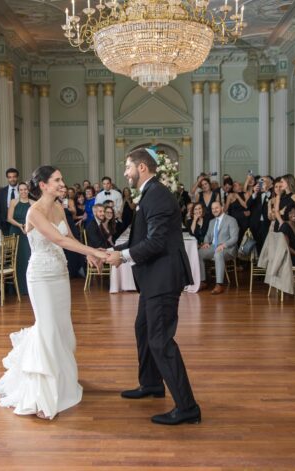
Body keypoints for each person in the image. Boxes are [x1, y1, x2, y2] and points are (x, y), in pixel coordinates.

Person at [0, 165, 108, 419]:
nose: (62, 183)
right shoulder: (34, 212)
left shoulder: (58, 207)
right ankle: (43, 391)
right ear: (43, 185)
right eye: (57, 179)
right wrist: (95, 252)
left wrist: (88, 254)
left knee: (62, 327)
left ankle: (64, 383)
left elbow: (72, 237)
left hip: (60, 273)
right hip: (41, 276)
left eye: (62, 178)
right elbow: (59, 240)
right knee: (47, 328)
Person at [109, 147, 200, 426]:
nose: (125, 173)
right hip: (154, 278)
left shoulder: (157, 195)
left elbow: (157, 242)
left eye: (128, 167)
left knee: (161, 341)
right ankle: (151, 383)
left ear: (142, 168)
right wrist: (111, 250)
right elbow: (141, 238)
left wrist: (121, 256)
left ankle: (187, 408)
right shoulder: (151, 193)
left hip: (163, 278)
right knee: (143, 329)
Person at [197, 200, 239, 295]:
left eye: (216, 207)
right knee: (199, 253)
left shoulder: (231, 220)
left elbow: (235, 238)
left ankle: (219, 284)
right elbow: (208, 235)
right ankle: (203, 281)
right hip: (214, 247)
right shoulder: (212, 222)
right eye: (212, 208)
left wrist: (224, 245)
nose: (214, 210)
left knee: (218, 253)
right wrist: (206, 242)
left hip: (228, 248)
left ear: (222, 207)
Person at [6, 181, 32, 294]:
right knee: (16, 260)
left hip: (28, 233)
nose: (23, 191)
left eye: (25, 189)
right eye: (21, 190)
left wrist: (28, 226)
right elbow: (9, 218)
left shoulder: (33, 203)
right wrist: (20, 225)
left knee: (28, 258)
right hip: (16, 231)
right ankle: (16, 289)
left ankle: (28, 288)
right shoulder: (13, 202)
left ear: (28, 190)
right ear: (18, 191)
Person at [0, 167, 21, 234]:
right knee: (8, 245)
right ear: (7, 178)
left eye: (14, 177)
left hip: (20, 223)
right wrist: (0, 224)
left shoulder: (23, 190)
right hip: (5, 225)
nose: (12, 179)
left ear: (17, 177)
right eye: (10, 177)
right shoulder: (1, 192)